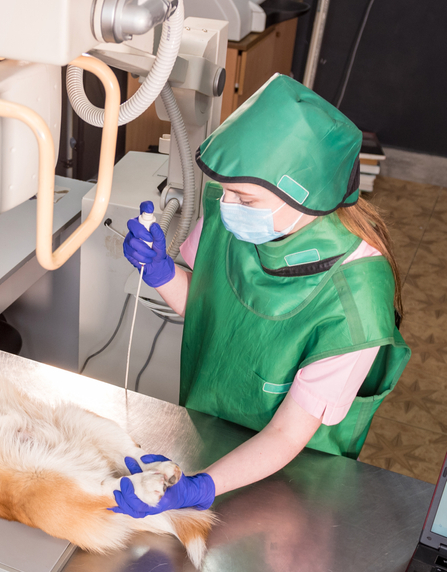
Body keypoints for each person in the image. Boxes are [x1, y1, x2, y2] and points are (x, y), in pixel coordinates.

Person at [114, 74, 411, 518]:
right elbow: (207, 308)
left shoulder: (356, 301)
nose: (225, 203)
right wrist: (160, 272)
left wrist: (200, 488)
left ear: (307, 196)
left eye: (244, 198)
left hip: (295, 474)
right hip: (213, 423)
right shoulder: (236, 209)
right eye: (226, 191)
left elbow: (290, 435)